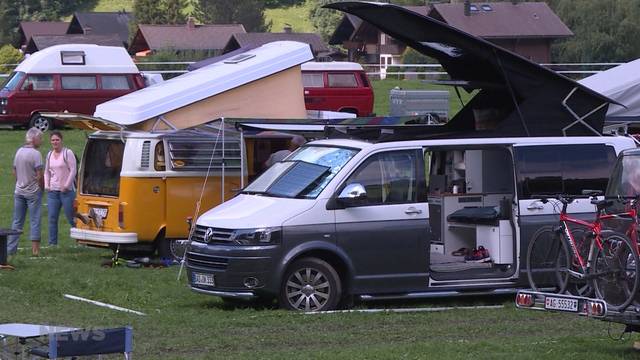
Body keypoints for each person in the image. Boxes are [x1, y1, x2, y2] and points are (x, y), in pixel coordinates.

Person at [7, 128, 44, 257]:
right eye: (40, 138)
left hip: (19, 190)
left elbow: (14, 171)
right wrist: (41, 188)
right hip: (33, 192)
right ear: (34, 139)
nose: (41, 141)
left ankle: (10, 250)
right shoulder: (36, 154)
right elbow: (39, 175)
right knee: (35, 220)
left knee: (17, 221)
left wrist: (20, 182)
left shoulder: (19, 151)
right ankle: (35, 251)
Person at [44, 130, 77, 247]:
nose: (55, 142)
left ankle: (81, 240)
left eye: (57, 139)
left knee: (72, 217)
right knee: (52, 218)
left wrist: (67, 185)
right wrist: (47, 185)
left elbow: (73, 170)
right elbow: (46, 172)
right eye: (53, 140)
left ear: (61, 141)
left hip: (67, 192)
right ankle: (52, 243)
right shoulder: (49, 155)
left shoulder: (67, 153)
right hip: (53, 192)